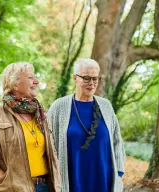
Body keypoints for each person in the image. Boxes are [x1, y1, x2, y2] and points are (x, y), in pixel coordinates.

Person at [0, 62, 61, 192]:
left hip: (45, 186)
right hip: (13, 188)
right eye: (31, 77)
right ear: (14, 83)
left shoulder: (40, 113)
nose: (36, 82)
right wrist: (4, 178)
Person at [47, 58, 125, 192]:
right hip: (71, 180)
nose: (92, 83)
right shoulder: (58, 107)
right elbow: (49, 144)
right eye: (86, 78)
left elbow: (117, 140)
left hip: (104, 180)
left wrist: (118, 173)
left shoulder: (106, 106)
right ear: (75, 78)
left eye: (95, 78)